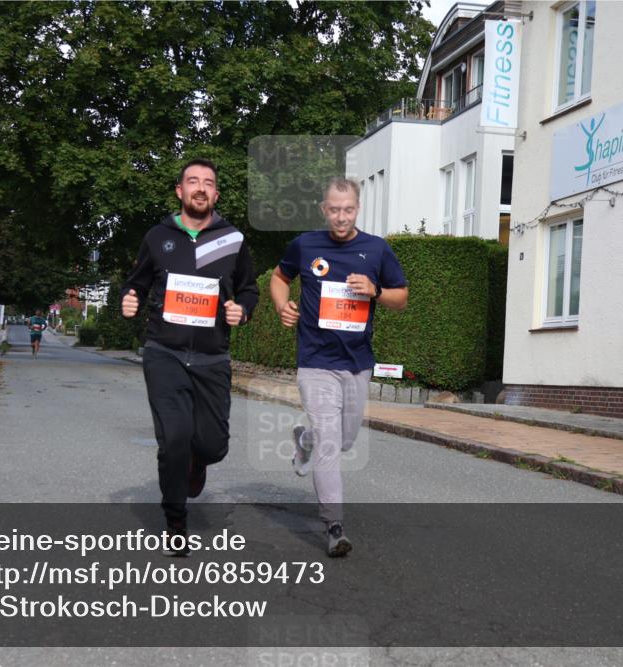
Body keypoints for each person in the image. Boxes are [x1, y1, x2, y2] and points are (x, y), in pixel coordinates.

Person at [121, 158, 258, 556]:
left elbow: (248, 290)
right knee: (174, 439)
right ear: (180, 191)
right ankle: (175, 522)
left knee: (213, 446)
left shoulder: (232, 239)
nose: (200, 188)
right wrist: (128, 300)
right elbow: (136, 284)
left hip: (213, 358)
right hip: (164, 353)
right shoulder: (157, 236)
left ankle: (197, 462)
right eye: (192, 181)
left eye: (209, 183)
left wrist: (243, 310)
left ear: (216, 194)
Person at [270, 177, 408, 557]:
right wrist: (283, 306)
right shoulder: (305, 245)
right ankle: (334, 526)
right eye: (334, 209)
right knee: (332, 442)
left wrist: (376, 291)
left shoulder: (377, 249)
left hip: (357, 362)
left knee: (344, 439)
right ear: (323, 209)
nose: (341, 217)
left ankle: (304, 439)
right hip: (315, 361)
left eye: (348, 210)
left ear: (358, 209)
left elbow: (401, 298)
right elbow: (279, 277)